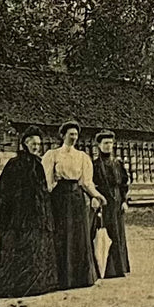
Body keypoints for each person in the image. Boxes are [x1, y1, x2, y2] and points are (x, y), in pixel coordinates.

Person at [0, 127, 59, 299]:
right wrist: (7, 215)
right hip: (18, 215)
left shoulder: (38, 163)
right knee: (16, 248)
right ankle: (15, 285)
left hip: (36, 213)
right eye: (33, 143)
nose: (36, 146)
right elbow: (5, 191)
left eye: (38, 144)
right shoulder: (14, 164)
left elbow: (41, 189)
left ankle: (35, 284)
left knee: (35, 248)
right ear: (25, 143)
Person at [41, 121, 106, 290]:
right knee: (61, 235)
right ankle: (61, 278)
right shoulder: (52, 155)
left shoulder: (83, 157)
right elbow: (48, 182)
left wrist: (97, 195)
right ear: (63, 135)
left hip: (77, 198)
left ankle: (80, 278)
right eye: (71, 134)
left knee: (78, 235)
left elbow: (86, 182)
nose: (74, 137)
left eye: (76, 135)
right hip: (59, 198)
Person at [93, 130, 132, 278]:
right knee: (104, 234)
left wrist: (124, 201)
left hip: (116, 202)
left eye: (110, 143)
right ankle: (105, 269)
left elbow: (123, 184)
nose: (108, 146)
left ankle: (119, 268)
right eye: (105, 143)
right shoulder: (95, 164)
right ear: (99, 145)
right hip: (103, 203)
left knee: (118, 234)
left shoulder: (118, 163)